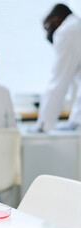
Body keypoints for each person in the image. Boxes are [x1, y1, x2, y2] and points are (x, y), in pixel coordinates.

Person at [34, 3, 81, 132]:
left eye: (47, 27)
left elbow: (58, 83)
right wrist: (76, 121)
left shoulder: (67, 32)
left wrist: (43, 125)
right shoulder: (76, 28)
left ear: (57, 21)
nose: (47, 35)